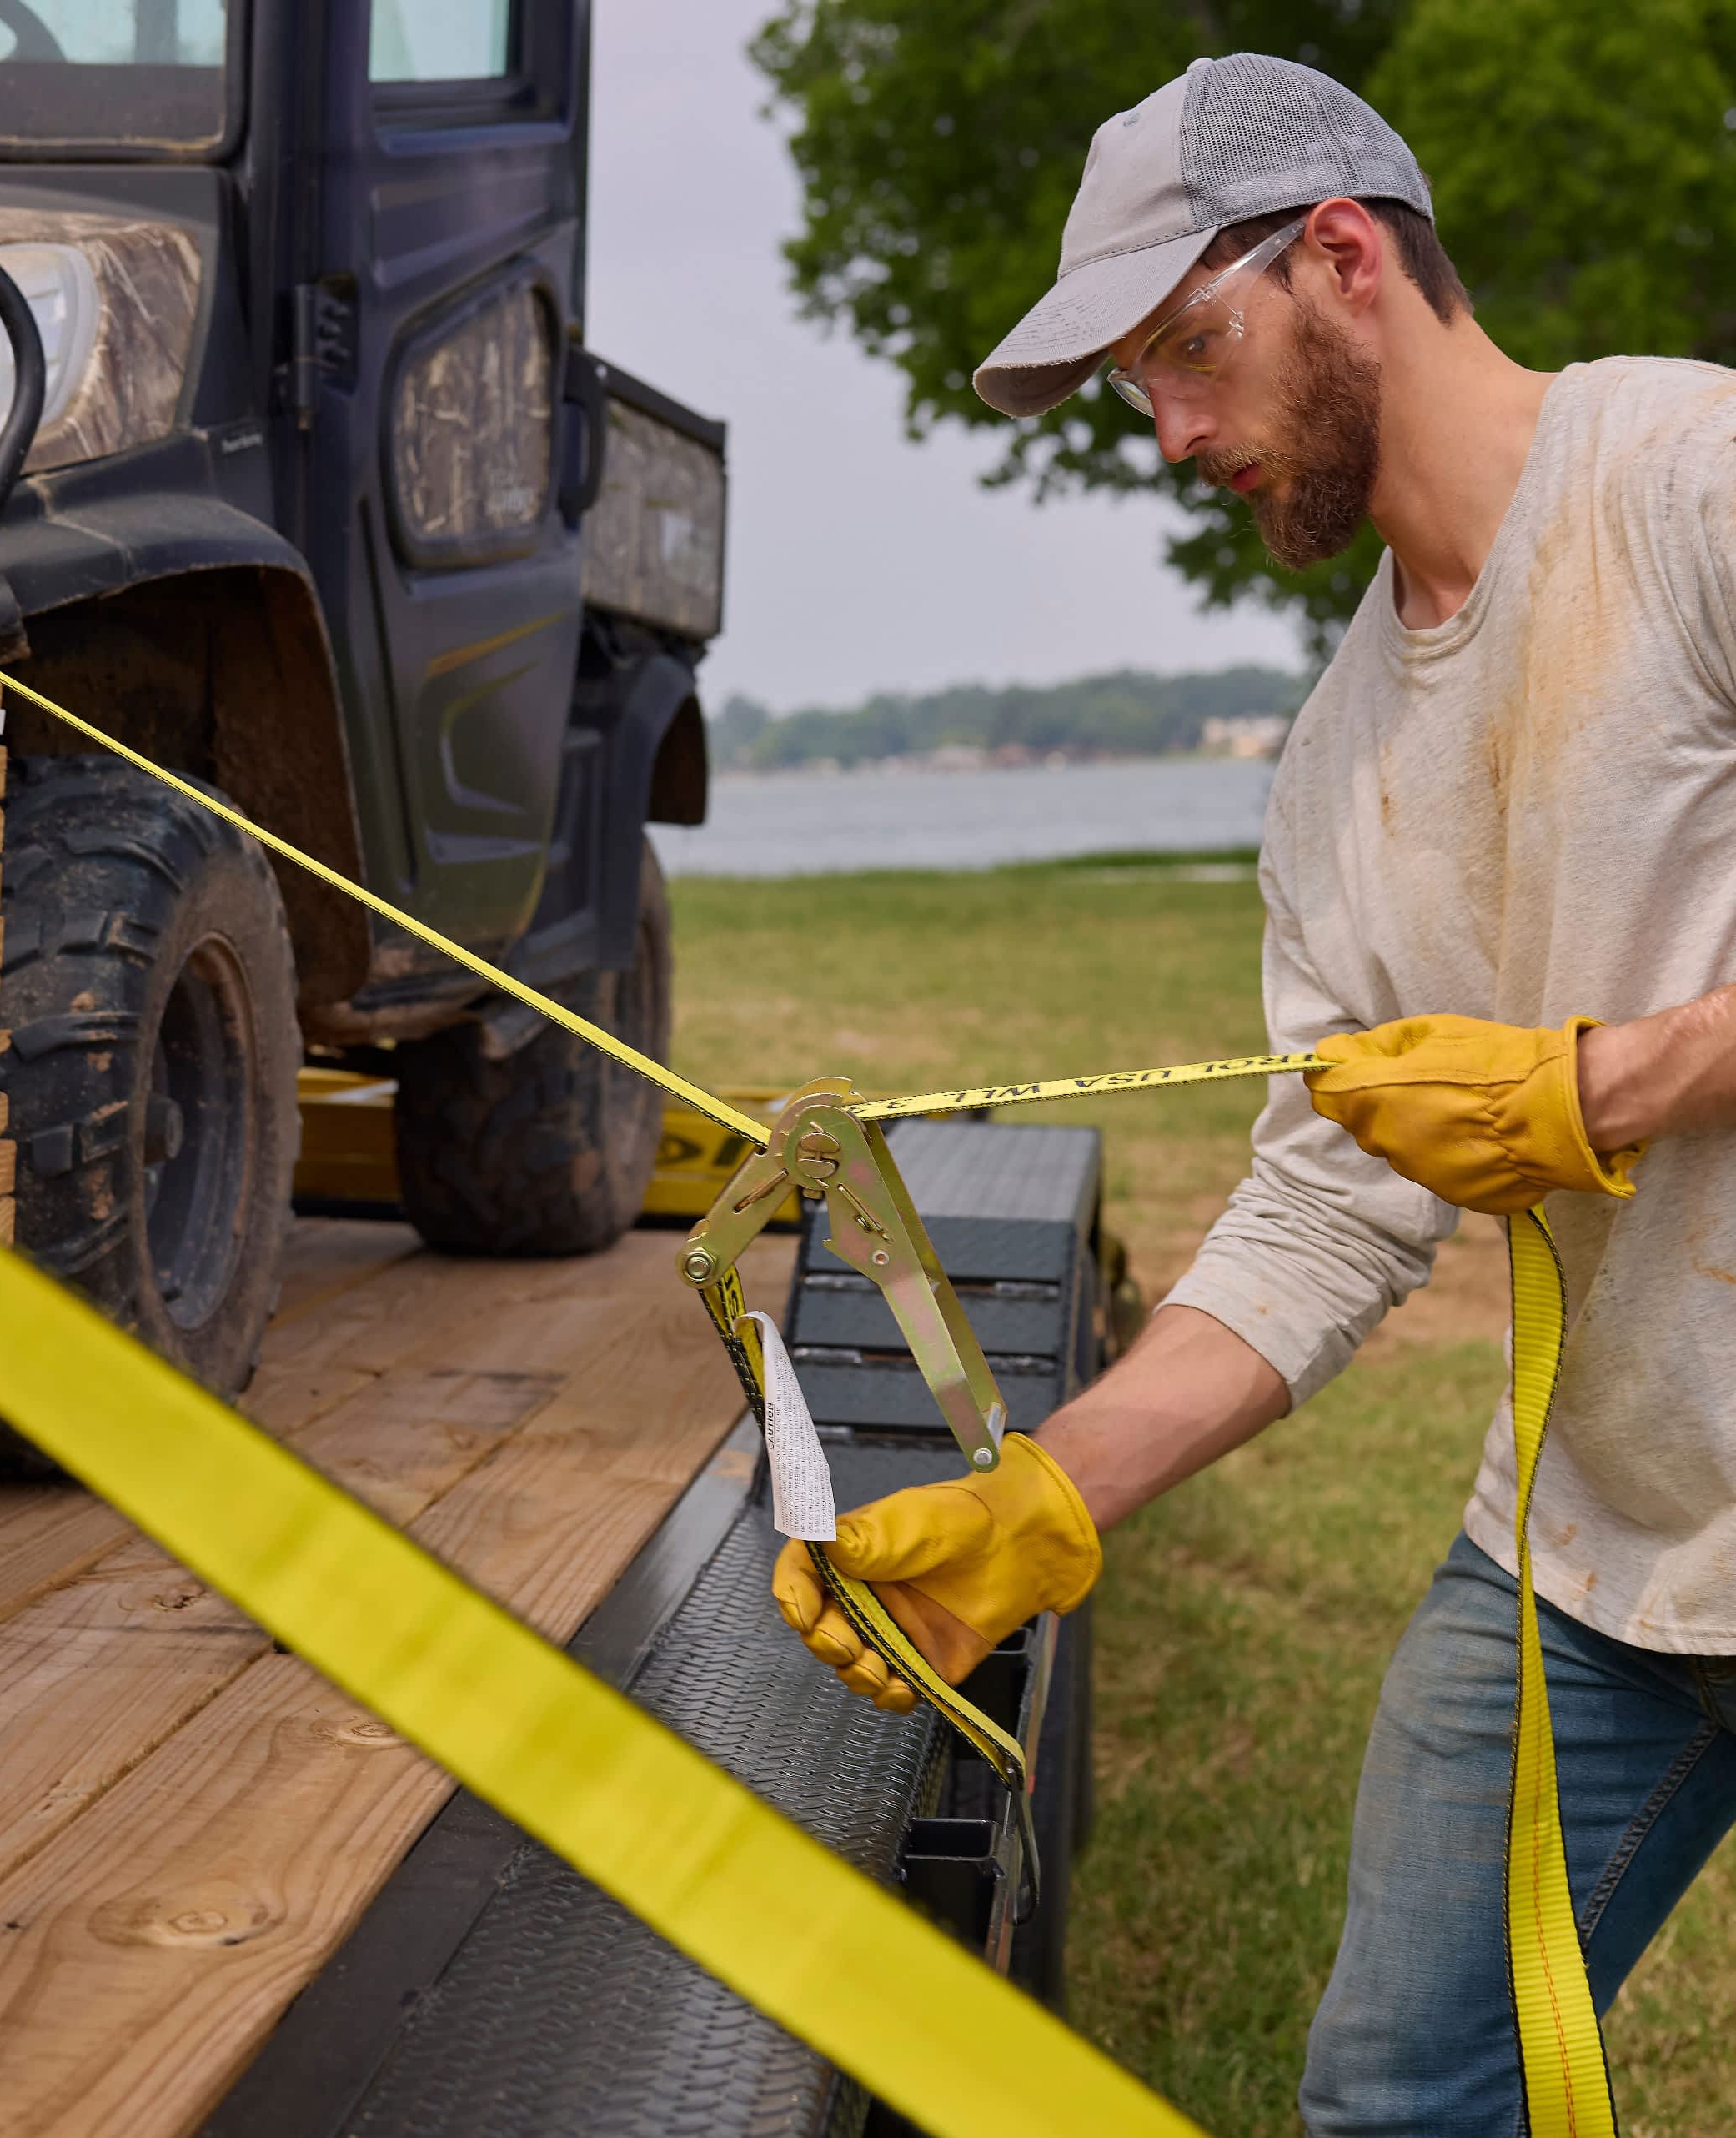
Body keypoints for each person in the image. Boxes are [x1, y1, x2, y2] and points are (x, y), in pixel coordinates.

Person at [770, 51, 1736, 2135]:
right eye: (1140, 386)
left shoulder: (1688, 482)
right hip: (1611, 1548)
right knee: (1395, 2097)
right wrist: (1043, 1503)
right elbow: (1319, 1213)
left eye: (1189, 353)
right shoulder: (1331, 777)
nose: (1177, 435)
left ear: (1344, 257)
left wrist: (1630, 1075)